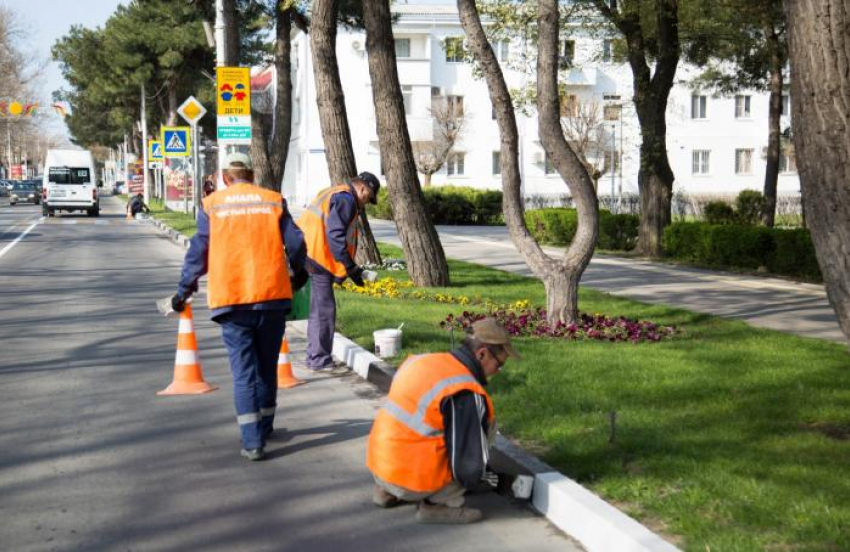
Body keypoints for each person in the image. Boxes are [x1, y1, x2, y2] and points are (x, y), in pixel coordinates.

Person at [170, 152, 308, 461]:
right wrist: (298, 272)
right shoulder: (273, 200)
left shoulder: (212, 206)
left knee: (244, 373)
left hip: (231, 300)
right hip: (271, 297)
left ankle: (252, 442)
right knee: (266, 367)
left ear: (225, 177)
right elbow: (296, 242)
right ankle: (266, 424)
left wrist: (184, 290)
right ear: (252, 175)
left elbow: (198, 252)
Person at [366, 318, 520, 524]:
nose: (497, 371)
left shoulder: (422, 361)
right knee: (487, 428)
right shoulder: (465, 391)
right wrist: (497, 481)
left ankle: (386, 491)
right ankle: (437, 505)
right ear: (482, 354)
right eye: (499, 365)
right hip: (410, 479)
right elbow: (468, 468)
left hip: (380, 466)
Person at [296, 172, 380, 371]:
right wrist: (351, 268)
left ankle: (315, 356)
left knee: (319, 308)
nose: (365, 203)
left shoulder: (335, 192)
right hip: (317, 257)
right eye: (367, 197)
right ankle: (318, 359)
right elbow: (335, 235)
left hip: (307, 252)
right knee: (324, 310)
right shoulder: (346, 200)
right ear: (362, 189)